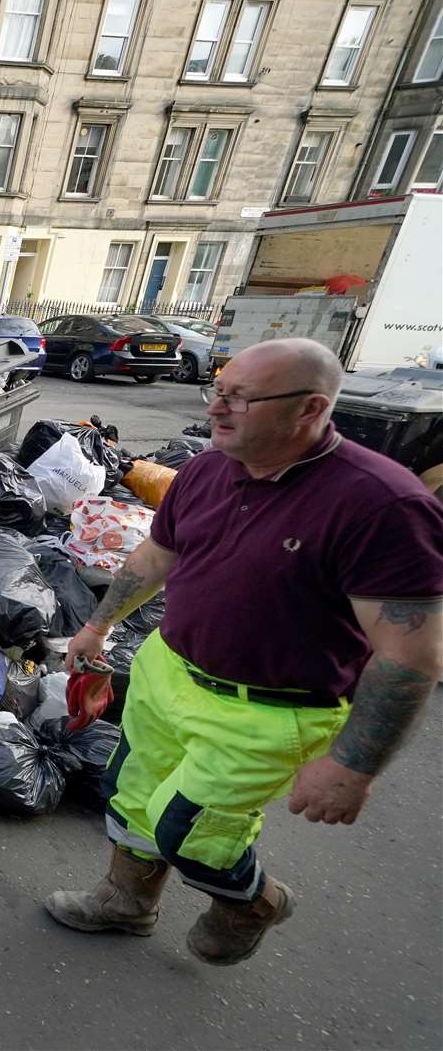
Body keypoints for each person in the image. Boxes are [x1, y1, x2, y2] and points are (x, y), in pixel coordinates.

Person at [45, 338, 443, 966]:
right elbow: (156, 558)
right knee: (130, 792)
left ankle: (255, 903)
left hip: (269, 709)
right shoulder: (206, 470)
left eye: (240, 398)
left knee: (194, 833)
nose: (216, 409)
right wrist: (97, 626)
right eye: (218, 391)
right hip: (168, 671)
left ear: (310, 408)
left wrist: (353, 767)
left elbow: (410, 654)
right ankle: (126, 903)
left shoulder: (381, 505)